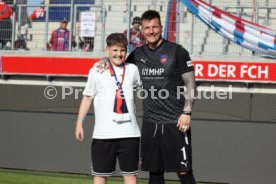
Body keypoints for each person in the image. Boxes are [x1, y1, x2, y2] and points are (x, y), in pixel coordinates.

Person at [96, 10, 197, 184]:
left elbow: (191, 84)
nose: (151, 31)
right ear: (142, 30)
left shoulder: (177, 52)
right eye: (147, 28)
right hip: (150, 124)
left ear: (161, 28)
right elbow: (118, 62)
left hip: (176, 122)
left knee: (183, 171)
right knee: (155, 173)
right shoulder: (137, 54)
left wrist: (187, 112)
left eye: (154, 27)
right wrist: (105, 58)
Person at [75, 33, 142, 184]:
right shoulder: (97, 70)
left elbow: (146, 87)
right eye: (115, 50)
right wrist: (79, 123)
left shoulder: (133, 70)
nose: (119, 54)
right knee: (100, 176)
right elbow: (87, 97)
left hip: (129, 133)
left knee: (130, 176)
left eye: (122, 50)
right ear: (107, 50)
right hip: (103, 134)